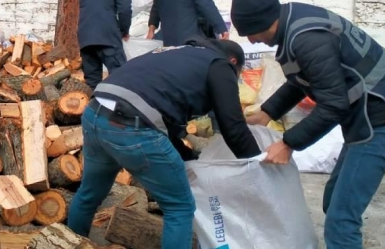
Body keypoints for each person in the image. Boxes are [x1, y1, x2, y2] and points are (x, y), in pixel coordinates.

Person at [230, 0, 385, 249]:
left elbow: (334, 105)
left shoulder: (307, 39)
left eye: (250, 33)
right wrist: (267, 113)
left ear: (263, 22)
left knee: (341, 219)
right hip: (370, 117)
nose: (251, 41)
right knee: (333, 201)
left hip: (384, 119)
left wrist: (289, 143)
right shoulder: (294, 21)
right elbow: (304, 80)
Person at [67, 37, 261, 249]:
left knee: (89, 194)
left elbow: (163, 113)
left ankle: (67, 243)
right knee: (179, 208)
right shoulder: (220, 65)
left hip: (95, 114)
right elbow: (234, 127)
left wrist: (189, 158)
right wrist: (258, 167)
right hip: (131, 128)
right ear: (233, 62)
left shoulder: (177, 52)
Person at [77, 0, 132, 89]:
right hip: (107, 37)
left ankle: (93, 107)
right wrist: (124, 30)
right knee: (120, 77)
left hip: (85, 38)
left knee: (92, 83)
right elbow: (125, 9)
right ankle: (118, 108)